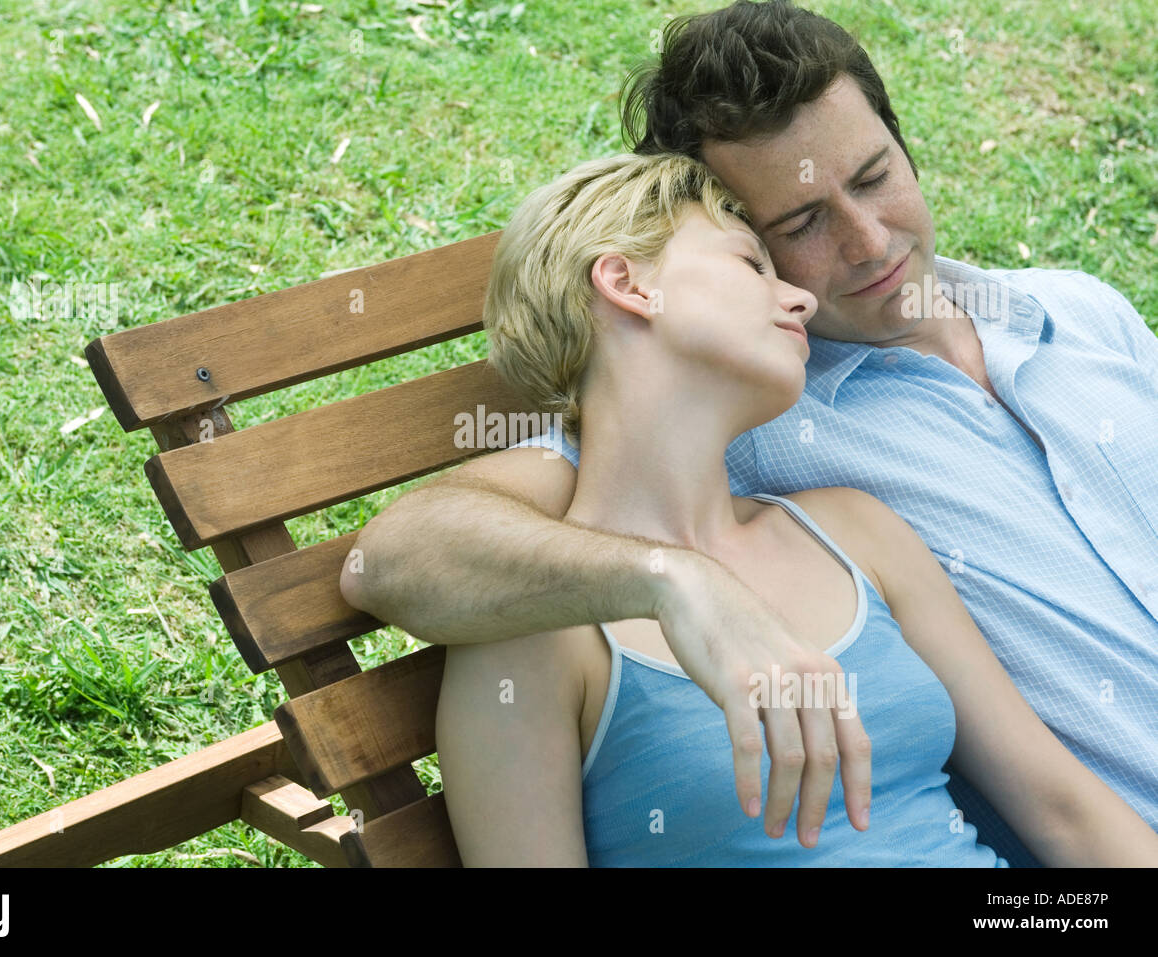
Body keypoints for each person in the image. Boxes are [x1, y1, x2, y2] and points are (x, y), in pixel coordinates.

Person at [340, 1, 1158, 866]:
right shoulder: (769, 421)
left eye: (875, 175)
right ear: (629, 286)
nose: (868, 240)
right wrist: (676, 581)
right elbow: (398, 556)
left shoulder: (1082, 311)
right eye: (792, 232)